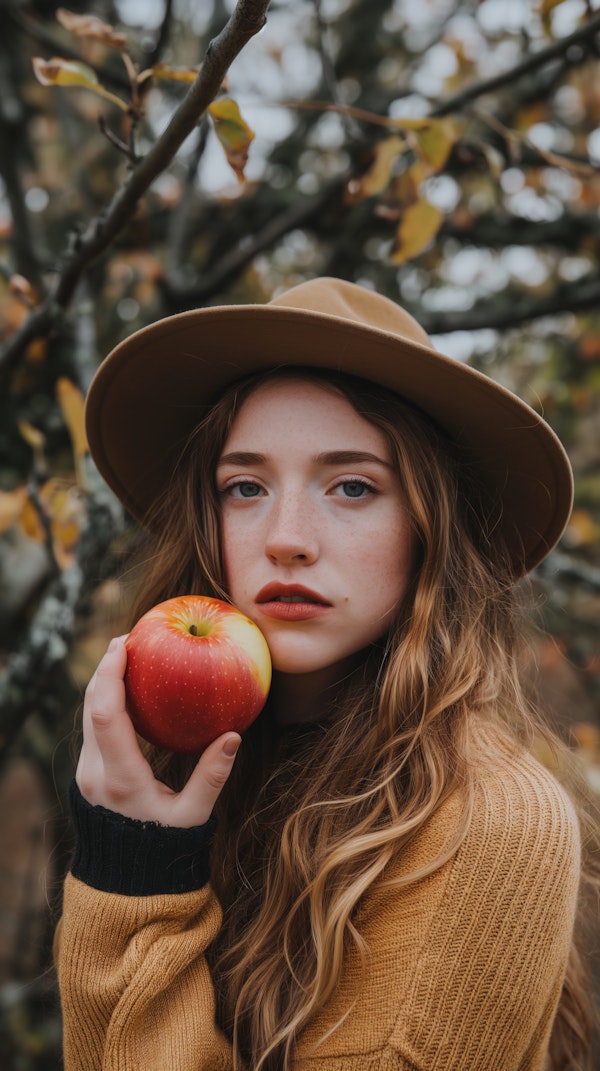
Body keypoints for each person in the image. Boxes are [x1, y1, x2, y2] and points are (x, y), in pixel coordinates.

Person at [55, 277, 595, 1071]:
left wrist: (138, 884)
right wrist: (134, 850)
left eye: (352, 486)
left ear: (429, 528)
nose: (287, 538)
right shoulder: (188, 778)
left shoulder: (490, 824)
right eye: (246, 486)